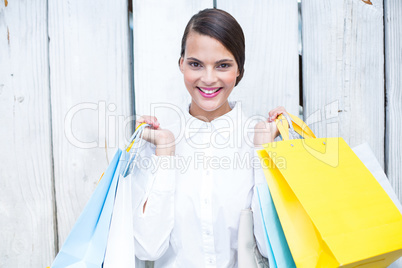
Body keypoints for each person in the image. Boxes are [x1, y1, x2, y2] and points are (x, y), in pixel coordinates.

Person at [131, 8, 288, 267]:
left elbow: (270, 247)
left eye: (223, 65)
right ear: (181, 63)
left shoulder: (264, 139)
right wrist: (165, 152)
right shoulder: (157, 142)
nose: (208, 78)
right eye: (195, 64)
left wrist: (264, 154)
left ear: (239, 69)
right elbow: (147, 247)